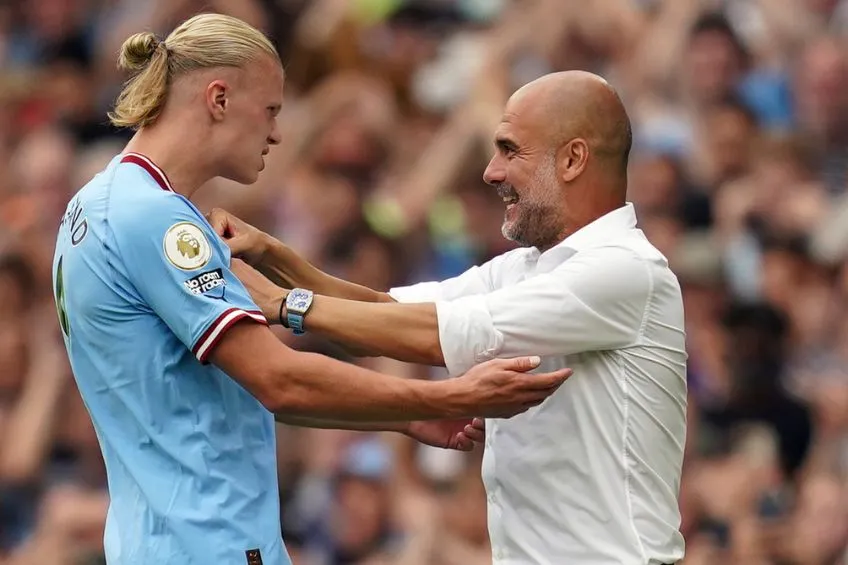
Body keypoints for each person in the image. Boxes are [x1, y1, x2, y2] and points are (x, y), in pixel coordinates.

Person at [50, 14, 572, 565]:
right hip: (207, 543)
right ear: (219, 98)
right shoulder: (156, 219)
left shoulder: (95, 203)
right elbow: (279, 379)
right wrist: (451, 395)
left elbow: (224, 395)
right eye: (271, 110)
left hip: (159, 540)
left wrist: (401, 416)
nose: (278, 132)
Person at [214, 70, 689, 564]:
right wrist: (272, 255)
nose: (491, 172)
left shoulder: (624, 268)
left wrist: (282, 306)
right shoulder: (526, 266)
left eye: (510, 150)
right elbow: (386, 311)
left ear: (572, 159)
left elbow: (435, 336)